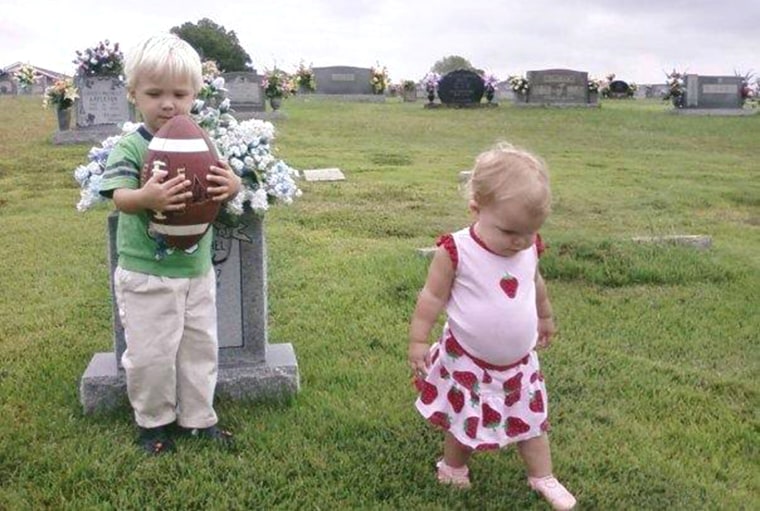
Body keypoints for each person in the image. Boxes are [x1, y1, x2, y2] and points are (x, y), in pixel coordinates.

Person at [408, 143, 576, 510]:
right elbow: (431, 298)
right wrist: (419, 340)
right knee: (464, 419)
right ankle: (453, 466)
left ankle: (542, 475)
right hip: (467, 359)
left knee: (532, 420)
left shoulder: (527, 247)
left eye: (530, 232)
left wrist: (545, 316)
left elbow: (534, 282)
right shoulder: (456, 250)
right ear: (476, 208)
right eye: (510, 231)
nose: (520, 241)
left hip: (519, 363)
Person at [99, 34, 241, 455]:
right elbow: (119, 196)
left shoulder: (202, 142)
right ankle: (153, 421)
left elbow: (221, 185)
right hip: (147, 273)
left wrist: (232, 186)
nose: (168, 104)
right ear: (133, 95)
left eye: (180, 94)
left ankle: (198, 418)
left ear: (195, 94)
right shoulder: (131, 146)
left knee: (199, 348)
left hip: (196, 271)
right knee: (151, 354)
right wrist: (146, 198)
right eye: (154, 93)